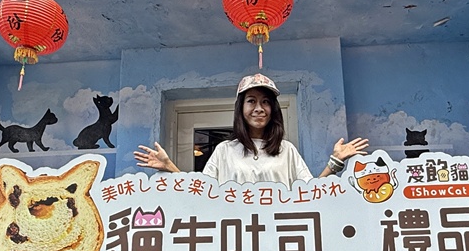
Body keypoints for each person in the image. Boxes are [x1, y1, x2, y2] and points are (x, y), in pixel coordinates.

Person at [135, 73, 369, 184]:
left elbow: (310, 192)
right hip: (234, 238)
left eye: (266, 102)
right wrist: (169, 167)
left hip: (281, 235)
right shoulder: (225, 150)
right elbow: (201, 191)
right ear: (241, 109)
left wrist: (335, 163)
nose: (259, 108)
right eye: (252, 101)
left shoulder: (286, 150)